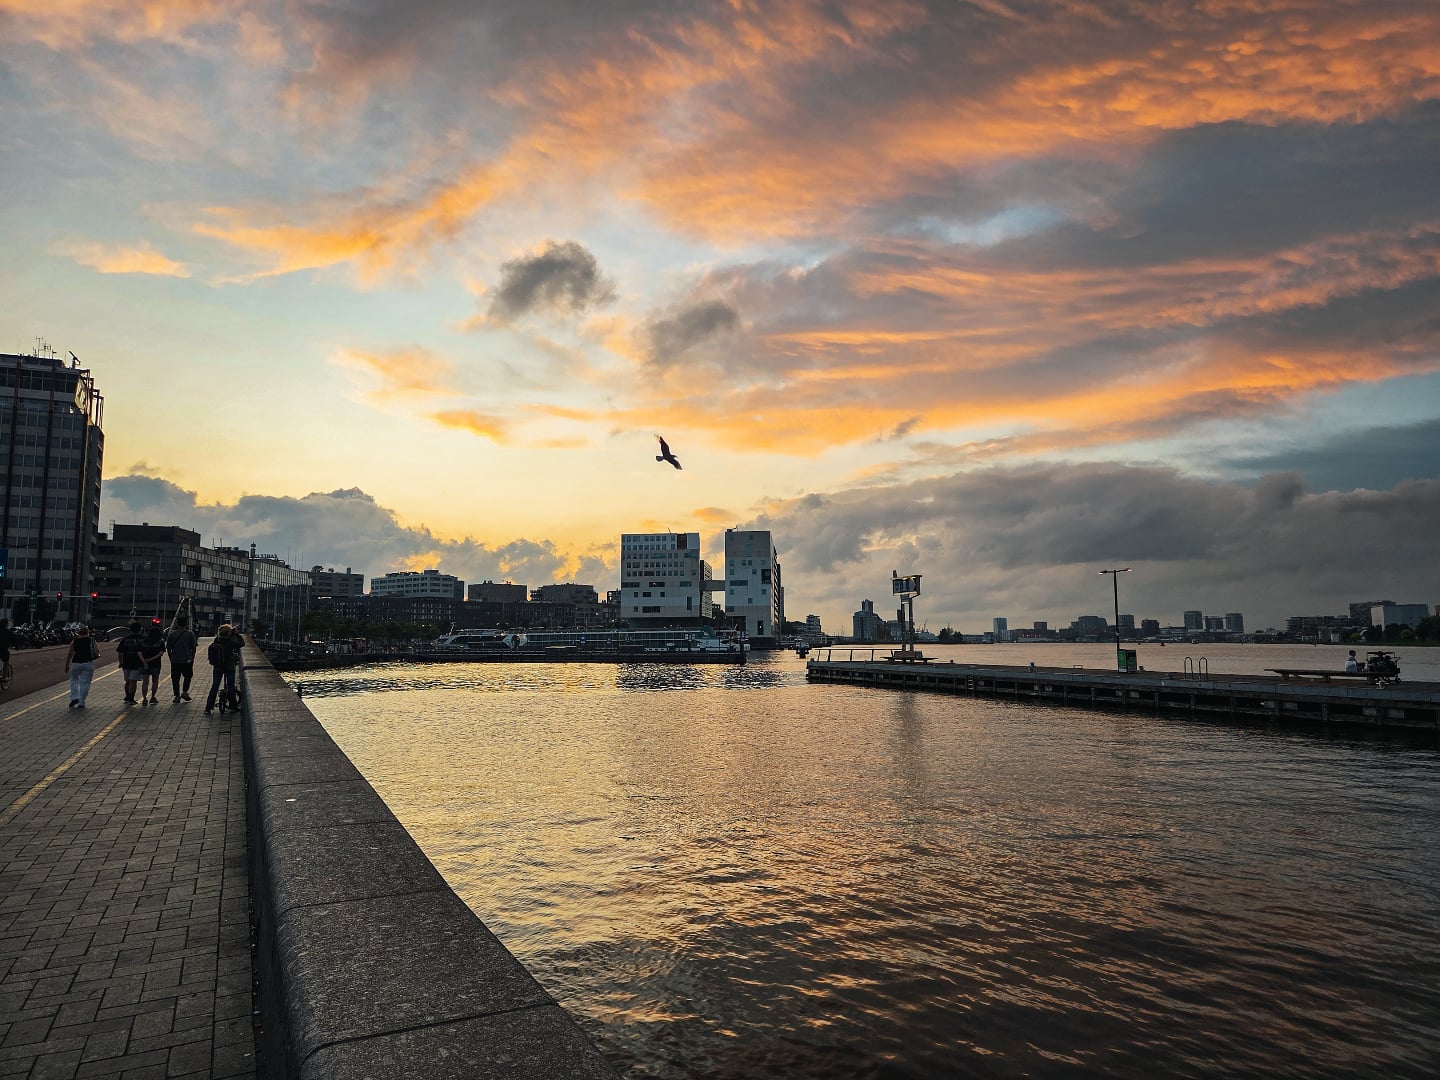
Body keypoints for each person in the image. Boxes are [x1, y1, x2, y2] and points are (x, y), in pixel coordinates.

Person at [205, 624, 238, 715]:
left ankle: (208, 708)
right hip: (229, 665)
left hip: (218, 666)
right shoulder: (231, 641)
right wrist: (235, 634)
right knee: (230, 686)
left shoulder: (217, 640)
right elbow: (241, 644)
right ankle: (233, 707)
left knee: (215, 686)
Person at [65, 626, 100, 708]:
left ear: (79, 633)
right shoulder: (92, 640)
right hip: (88, 663)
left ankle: (74, 697)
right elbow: (97, 651)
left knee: (73, 680)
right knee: (85, 683)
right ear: (88, 632)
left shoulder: (75, 641)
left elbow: (70, 653)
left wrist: (67, 664)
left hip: (76, 663)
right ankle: (81, 702)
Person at [166, 615, 198, 702]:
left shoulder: (172, 634)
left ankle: (176, 696)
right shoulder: (190, 634)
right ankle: (184, 692)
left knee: (175, 678)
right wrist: (192, 658)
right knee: (188, 676)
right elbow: (194, 648)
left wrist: (170, 657)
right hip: (187, 660)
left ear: (177, 624)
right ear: (186, 624)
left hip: (175, 660)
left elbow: (168, 647)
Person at [117, 620, 147, 704]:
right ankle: (131, 698)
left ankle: (127, 696)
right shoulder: (143, 639)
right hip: (138, 663)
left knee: (127, 681)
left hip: (126, 662)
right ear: (140, 629)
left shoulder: (125, 639)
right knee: (133, 681)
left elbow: (120, 652)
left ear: (130, 630)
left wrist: (121, 662)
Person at [140, 622, 165, 704]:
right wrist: (151, 659)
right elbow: (160, 653)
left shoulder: (143, 641)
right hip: (156, 664)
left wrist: (145, 661)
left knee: (145, 682)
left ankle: (144, 699)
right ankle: (153, 697)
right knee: (155, 681)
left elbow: (139, 653)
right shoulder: (160, 642)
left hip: (144, 664)